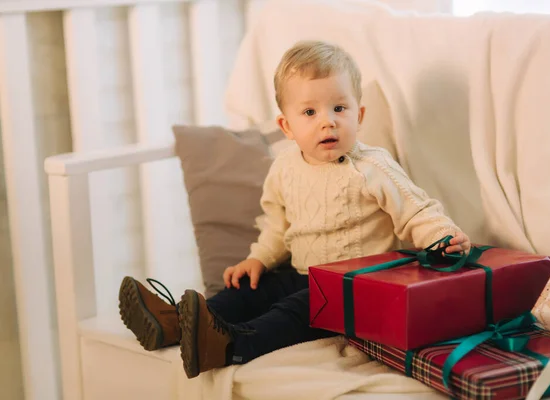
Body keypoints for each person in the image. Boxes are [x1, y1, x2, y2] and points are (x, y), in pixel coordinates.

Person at [119, 40, 471, 379]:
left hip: (358, 286)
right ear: (287, 126)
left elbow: (415, 210)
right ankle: (175, 325)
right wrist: (258, 259)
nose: (327, 121)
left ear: (359, 115)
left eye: (339, 108)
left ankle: (232, 344)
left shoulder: (372, 167)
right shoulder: (285, 168)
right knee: (250, 289)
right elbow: (276, 226)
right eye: (309, 112)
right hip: (302, 270)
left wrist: (442, 236)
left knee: (292, 310)